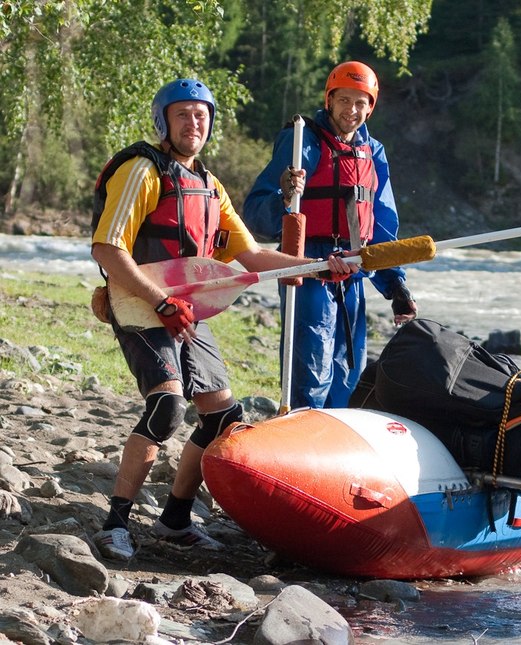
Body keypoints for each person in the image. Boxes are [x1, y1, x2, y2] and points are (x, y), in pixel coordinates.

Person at [90, 78, 355, 560]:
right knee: (166, 408)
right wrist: (162, 301)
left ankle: (174, 519)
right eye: (183, 114)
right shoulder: (142, 171)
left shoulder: (210, 187)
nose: (195, 123)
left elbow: (251, 256)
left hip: (185, 305)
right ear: (164, 122)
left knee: (224, 416)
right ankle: (115, 523)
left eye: (202, 115)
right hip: (139, 300)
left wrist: (320, 266)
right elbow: (108, 248)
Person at [242, 61, 417, 409]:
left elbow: (382, 223)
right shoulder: (301, 140)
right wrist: (284, 195)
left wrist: (395, 285)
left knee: (349, 370)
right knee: (311, 366)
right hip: (308, 265)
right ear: (329, 99)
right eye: (344, 100)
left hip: (353, 267)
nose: (351, 111)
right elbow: (256, 214)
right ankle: (303, 428)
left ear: (370, 107)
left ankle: (337, 435)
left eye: (360, 103)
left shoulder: (374, 153)